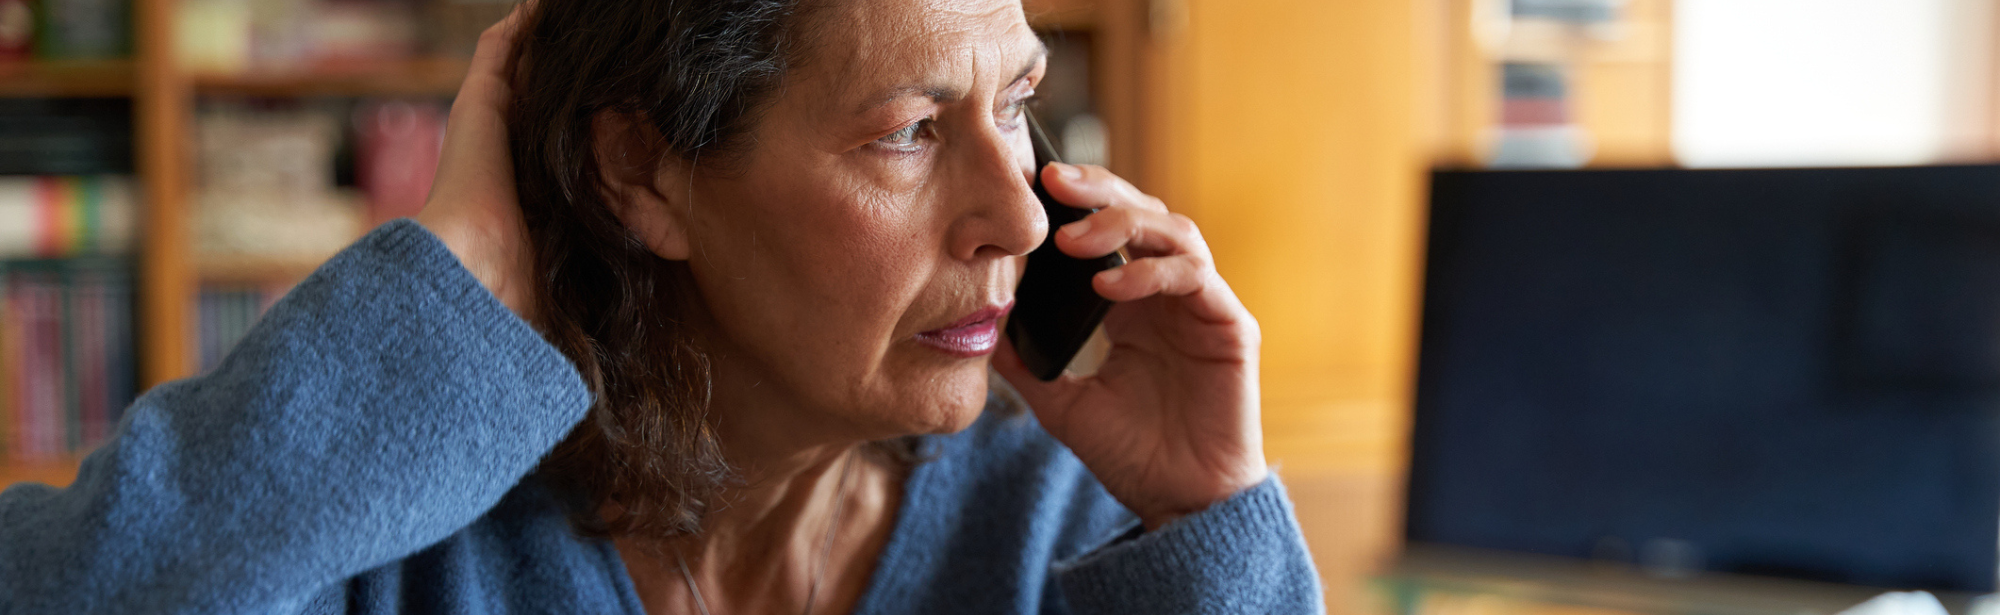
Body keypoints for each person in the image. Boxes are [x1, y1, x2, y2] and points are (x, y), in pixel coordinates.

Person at [0, 0, 1323, 612]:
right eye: (914, 130)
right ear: (645, 171)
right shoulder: (380, 538)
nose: (1023, 214)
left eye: (1018, 101)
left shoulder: (1078, 529)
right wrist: (448, 274)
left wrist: (1213, 520)